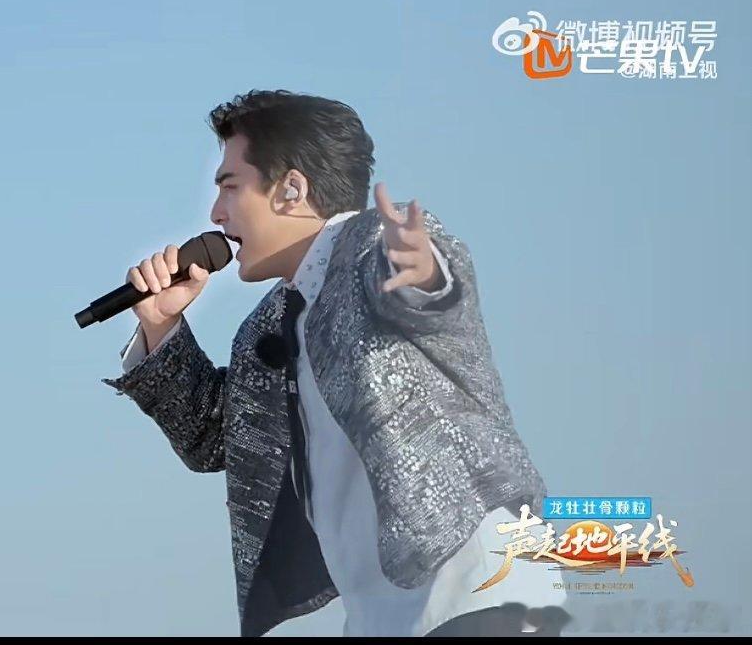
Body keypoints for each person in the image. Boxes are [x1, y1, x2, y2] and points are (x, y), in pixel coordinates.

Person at [102, 90, 569, 637]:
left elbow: (435, 295)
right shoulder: (268, 323)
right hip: (380, 616)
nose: (216, 213)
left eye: (230, 186)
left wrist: (423, 276)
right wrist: (161, 325)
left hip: (477, 588)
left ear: (291, 190)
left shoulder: (374, 244)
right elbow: (214, 439)